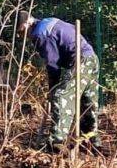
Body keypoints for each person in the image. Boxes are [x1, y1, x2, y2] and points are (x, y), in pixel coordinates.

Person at [18, 11, 100, 152]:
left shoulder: (40, 33)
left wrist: (52, 89)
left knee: (61, 96)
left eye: (21, 31)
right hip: (92, 58)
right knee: (87, 101)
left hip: (80, 61)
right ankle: (92, 140)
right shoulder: (48, 22)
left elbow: (53, 64)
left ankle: (57, 142)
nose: (22, 36)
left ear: (27, 23)